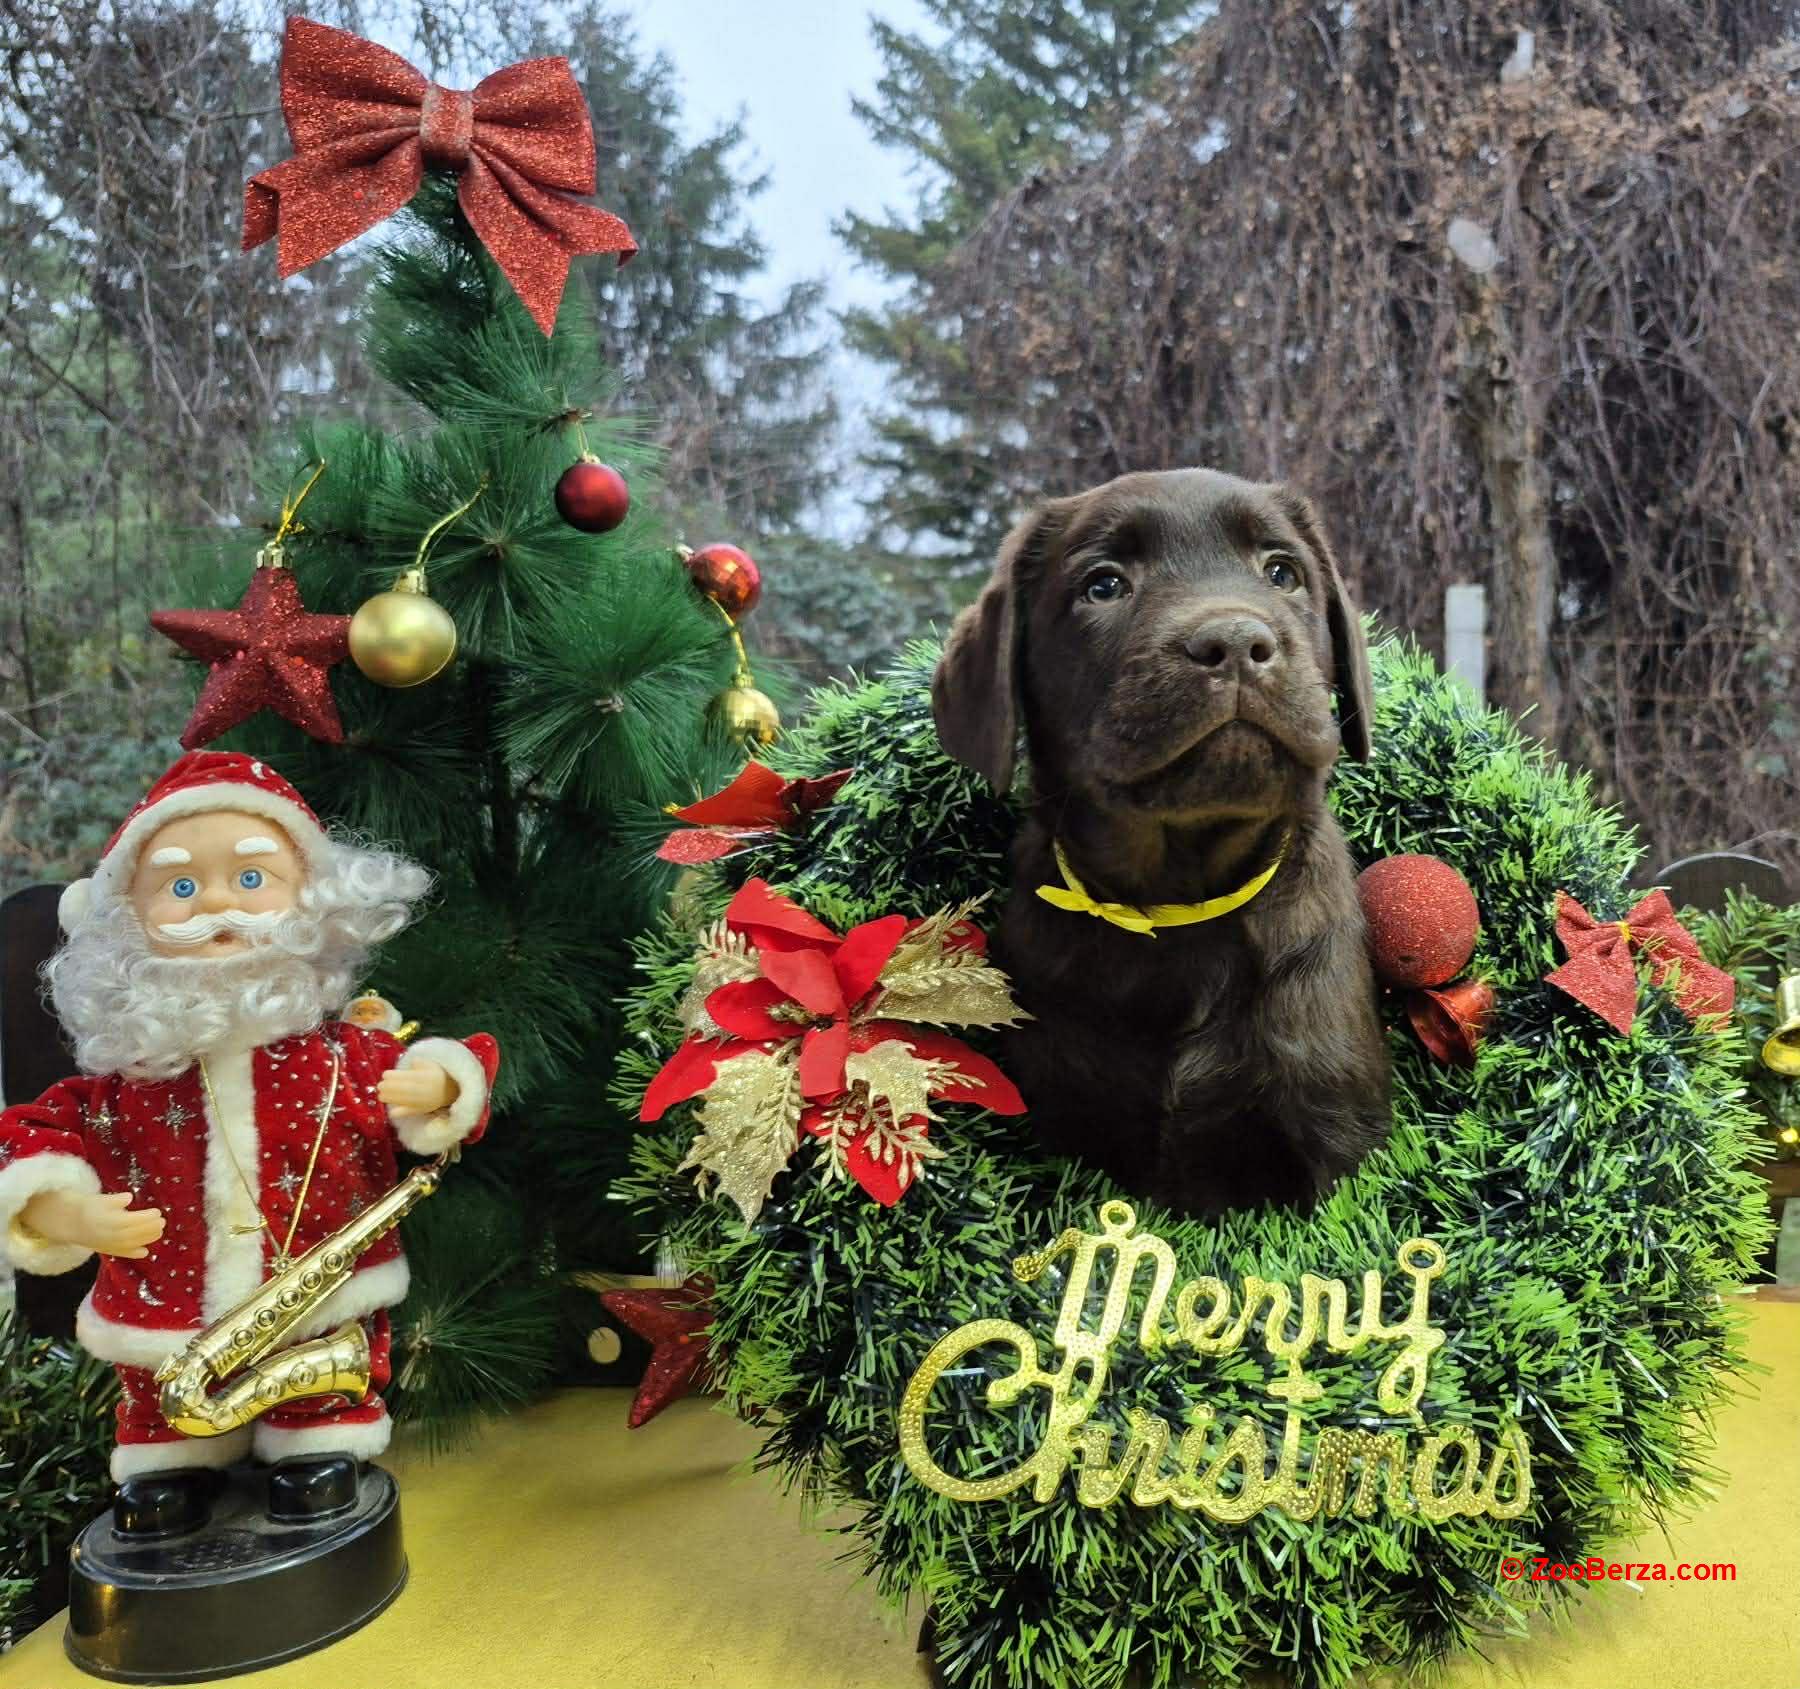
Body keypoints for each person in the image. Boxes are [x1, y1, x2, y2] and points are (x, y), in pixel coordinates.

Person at [0, 751, 498, 1535]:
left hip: (316, 1304)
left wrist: (439, 1086)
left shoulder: (343, 1055)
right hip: (168, 1310)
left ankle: (314, 1443)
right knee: (161, 1416)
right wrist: (61, 1209)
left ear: (314, 901)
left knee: (322, 1386)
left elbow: (452, 1081)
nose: (219, 905)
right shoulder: (126, 1085)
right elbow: (39, 1132)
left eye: (253, 878)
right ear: (126, 917)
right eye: (182, 886)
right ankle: (173, 1467)